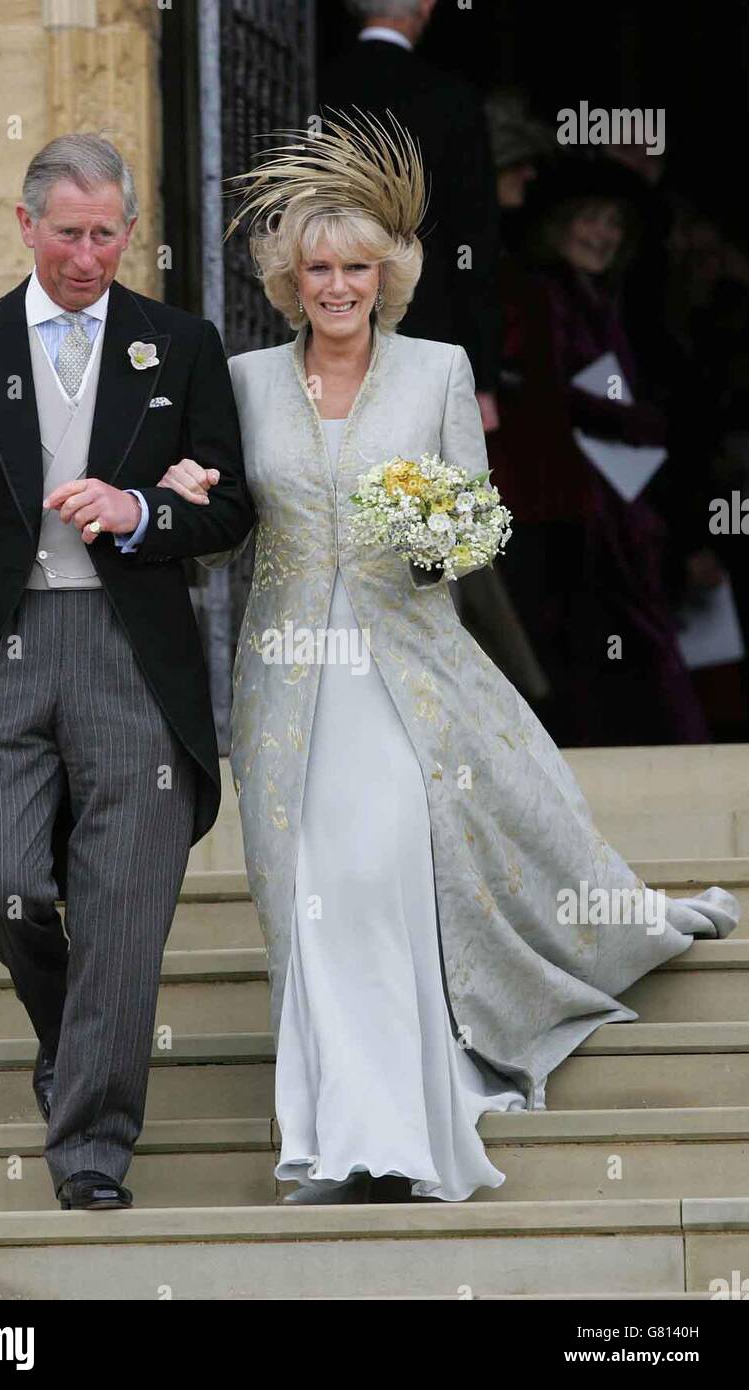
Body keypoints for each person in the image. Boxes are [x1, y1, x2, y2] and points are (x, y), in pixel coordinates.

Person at [158, 112, 738, 1204]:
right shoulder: (240, 382)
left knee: (374, 881)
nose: (335, 286)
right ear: (289, 280)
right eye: (316, 268)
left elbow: (476, 530)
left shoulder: (436, 371)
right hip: (285, 687)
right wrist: (184, 500)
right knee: (303, 896)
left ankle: (404, 1127)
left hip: (405, 672)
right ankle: (329, 1139)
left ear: (388, 274)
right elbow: (231, 520)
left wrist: (435, 533)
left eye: (355, 268)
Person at [0, 134, 255, 1211]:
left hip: (133, 654)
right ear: (24, 225)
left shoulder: (179, 345)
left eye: (107, 235)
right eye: (67, 233)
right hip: (4, 646)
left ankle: (90, 1144)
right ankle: (70, 1031)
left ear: (129, 231)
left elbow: (228, 509)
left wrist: (140, 509)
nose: (88, 255)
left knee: (125, 908)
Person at [491, 156, 710, 746]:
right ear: (557, 223)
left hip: (615, 495)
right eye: (589, 220)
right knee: (593, 636)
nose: (602, 235)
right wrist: (638, 421)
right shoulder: (540, 292)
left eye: (613, 224)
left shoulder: (598, 295)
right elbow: (542, 391)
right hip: (570, 496)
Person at [321, 0, 501, 431]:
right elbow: (473, 241)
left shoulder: (311, 84)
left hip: (321, 319)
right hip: (425, 323)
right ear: (424, 6)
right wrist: (483, 378)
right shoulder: (451, 98)